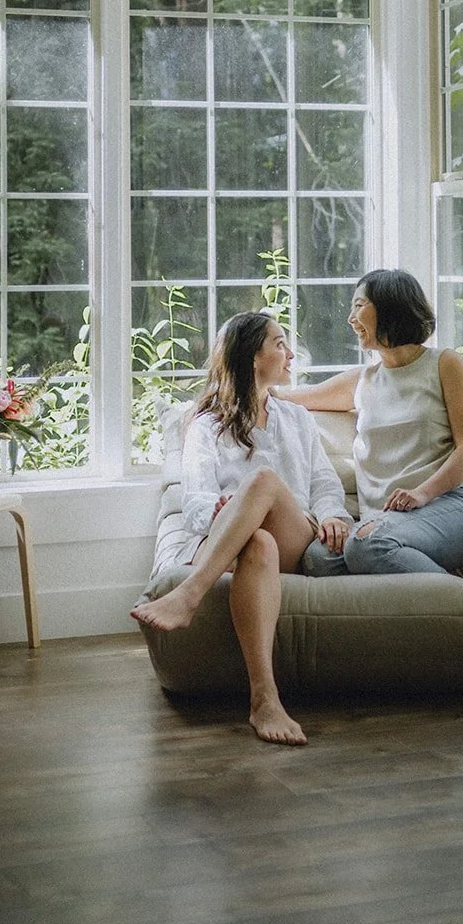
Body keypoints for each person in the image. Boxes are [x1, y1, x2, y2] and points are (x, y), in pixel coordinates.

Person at [130, 311, 352, 746]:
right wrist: (238, 512)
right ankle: (264, 698)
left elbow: (325, 483)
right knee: (259, 543)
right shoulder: (207, 425)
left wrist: (333, 515)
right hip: (240, 548)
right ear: (252, 357)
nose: (289, 354)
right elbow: (194, 504)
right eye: (279, 344)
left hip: (296, 540)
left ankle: (189, 593)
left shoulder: (297, 419)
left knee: (264, 483)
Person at [279, 270, 463, 588]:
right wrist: (209, 401)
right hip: (384, 522)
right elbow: (284, 398)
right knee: (318, 560)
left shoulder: (445, 365)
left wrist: (421, 493)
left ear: (390, 307)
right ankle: (443, 577)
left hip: (451, 506)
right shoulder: (363, 380)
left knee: (368, 546)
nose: (350, 318)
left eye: (359, 305)